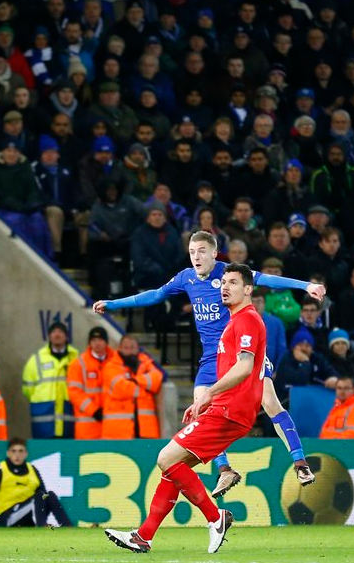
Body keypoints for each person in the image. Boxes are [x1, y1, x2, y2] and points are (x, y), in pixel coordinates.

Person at [94, 231, 325, 495]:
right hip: (210, 358)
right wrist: (113, 304)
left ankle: (300, 462)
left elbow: (268, 279)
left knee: (270, 403)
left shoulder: (230, 275)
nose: (196, 257)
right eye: (192, 252)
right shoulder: (186, 278)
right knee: (200, 410)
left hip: (241, 352)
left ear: (215, 253)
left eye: (202, 251)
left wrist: (305, 286)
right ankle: (225, 470)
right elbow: (155, 295)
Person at [104, 264, 263, 554]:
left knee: (166, 458)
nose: (225, 287)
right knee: (174, 469)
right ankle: (144, 536)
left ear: (248, 289)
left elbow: (244, 367)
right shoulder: (235, 321)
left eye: (233, 283)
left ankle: (216, 519)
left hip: (230, 410)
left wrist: (208, 395)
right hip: (229, 409)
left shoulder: (247, 320)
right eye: (223, 282)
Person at [0, 437, 73, 528]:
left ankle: (67, 527)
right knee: (39, 496)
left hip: (28, 517)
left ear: (26, 454)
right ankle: (41, 528)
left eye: (21, 451)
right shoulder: (0, 471)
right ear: (8, 453)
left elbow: (43, 497)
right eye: (14, 451)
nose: (17, 455)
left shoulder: (32, 470)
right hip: (7, 518)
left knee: (49, 495)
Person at [21, 321, 79, 439]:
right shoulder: (36, 359)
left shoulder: (76, 359)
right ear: (49, 336)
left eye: (60, 332)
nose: (57, 335)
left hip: (68, 418)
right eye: (54, 332)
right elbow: (27, 389)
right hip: (43, 421)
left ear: (66, 336)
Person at [101, 334, 164, 439]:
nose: (129, 351)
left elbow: (157, 378)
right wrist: (146, 391)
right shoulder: (110, 366)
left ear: (138, 349)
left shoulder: (145, 362)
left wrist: (136, 380)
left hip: (145, 429)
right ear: (119, 348)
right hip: (118, 431)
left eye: (132, 347)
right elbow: (122, 389)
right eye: (126, 348)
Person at [67, 326, 117, 440]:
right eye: (93, 340)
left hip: (113, 424)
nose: (97, 343)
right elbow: (74, 393)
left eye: (100, 340)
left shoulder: (117, 361)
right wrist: (93, 410)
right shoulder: (78, 364)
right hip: (87, 425)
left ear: (106, 342)